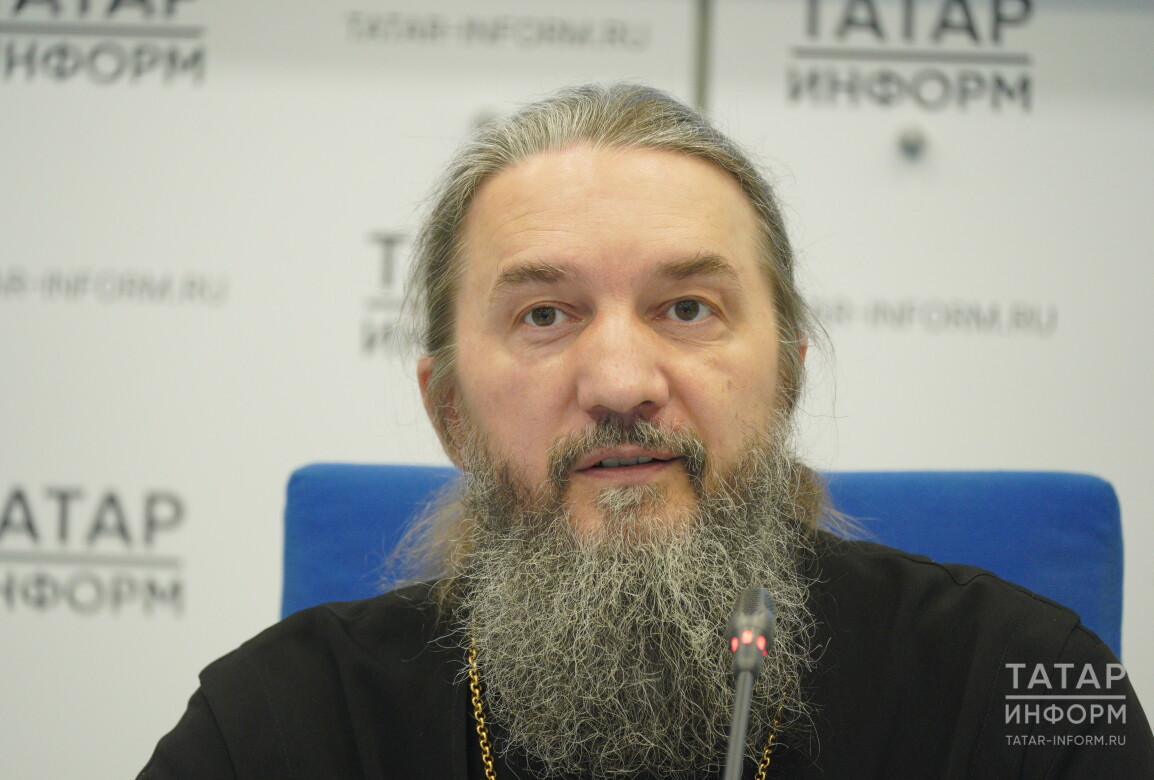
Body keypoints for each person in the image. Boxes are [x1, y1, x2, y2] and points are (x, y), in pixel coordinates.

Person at [140, 83, 1153, 778]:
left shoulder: (1016, 683)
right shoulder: (280, 722)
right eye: (545, 314)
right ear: (449, 410)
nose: (622, 382)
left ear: (787, 379)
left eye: (688, 308)